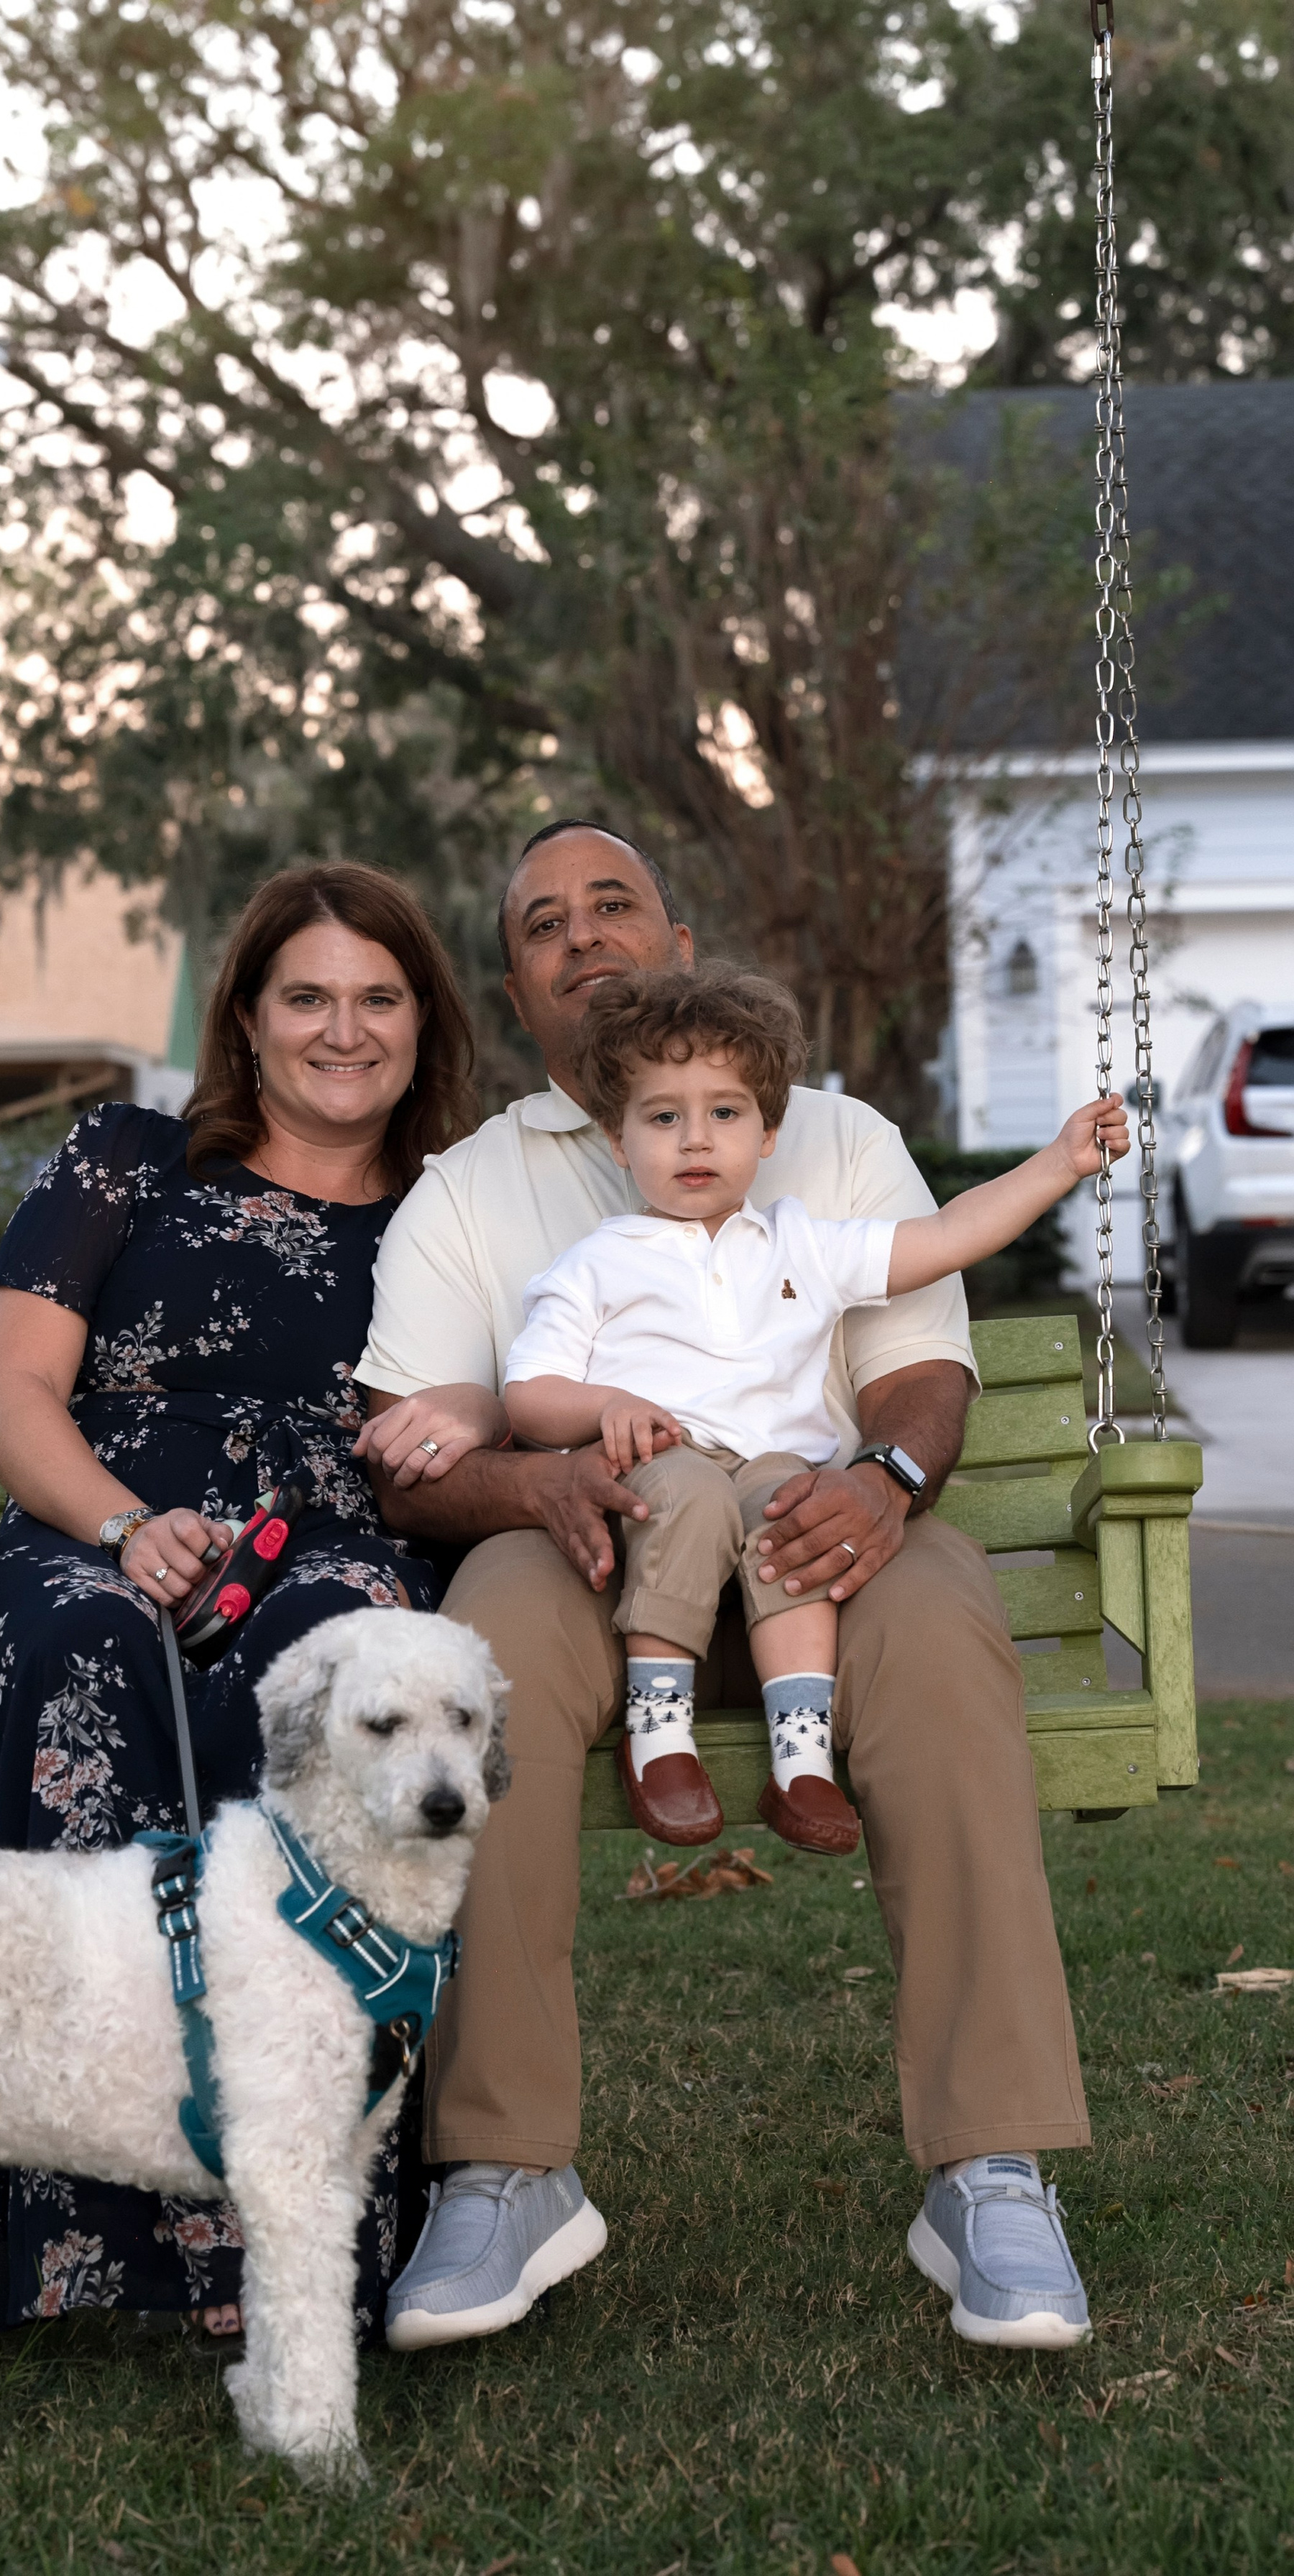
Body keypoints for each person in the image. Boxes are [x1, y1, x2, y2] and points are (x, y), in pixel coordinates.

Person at [353, 818, 1098, 2358]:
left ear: (677, 945)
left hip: (819, 1539)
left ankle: (988, 2164)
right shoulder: (471, 1191)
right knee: (476, 1633)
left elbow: (924, 1371)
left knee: (946, 1627)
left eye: (611, 901)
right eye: (541, 920)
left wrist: (881, 1486)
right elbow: (423, 1450)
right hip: (592, 1552)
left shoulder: (824, 1138)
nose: (580, 933)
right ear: (515, 984)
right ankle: (501, 2164)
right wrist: (538, 1471)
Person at [0, 861, 476, 2344]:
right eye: (305, 996)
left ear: (421, 1019)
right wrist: (127, 1526)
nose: (342, 1029)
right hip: (96, 1513)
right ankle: (78, 2215)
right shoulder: (130, 1157)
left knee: (318, 1676)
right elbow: (8, 1397)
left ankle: (270, 2227)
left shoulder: (457, 1206)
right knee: (82, 1644)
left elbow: (505, 1386)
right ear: (246, 1019)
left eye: (376, 997)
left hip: (329, 1537)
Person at [503, 961, 1129, 1864]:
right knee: (688, 1489)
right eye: (662, 1116)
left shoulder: (801, 1241)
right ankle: (660, 1741)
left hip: (772, 1471)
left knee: (792, 1508)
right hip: (666, 1466)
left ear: (767, 1132)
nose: (694, 1139)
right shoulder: (596, 1264)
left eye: (724, 1112)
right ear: (616, 1138)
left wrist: (1058, 1162)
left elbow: (947, 1235)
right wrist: (610, 1405)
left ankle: (800, 1760)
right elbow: (529, 1393)